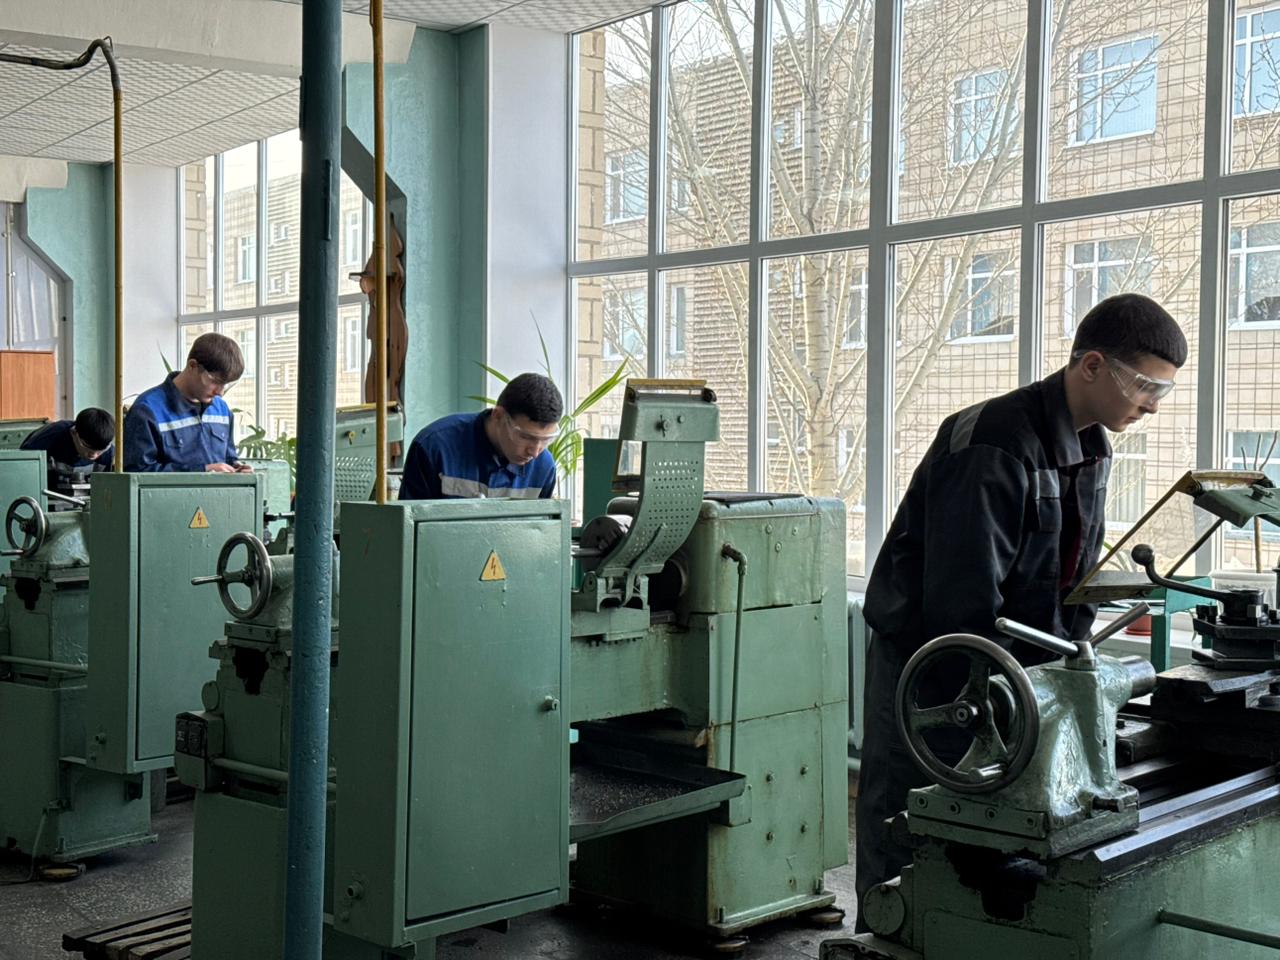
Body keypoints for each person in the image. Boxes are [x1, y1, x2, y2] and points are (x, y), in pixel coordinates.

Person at [853, 293, 1188, 927]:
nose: (1151, 405)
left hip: (1016, 668)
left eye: (1162, 392)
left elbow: (1073, 578)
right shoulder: (994, 443)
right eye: (1145, 387)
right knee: (910, 814)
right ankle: (883, 933)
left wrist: (1069, 673)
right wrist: (1007, 694)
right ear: (1092, 365)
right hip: (937, 667)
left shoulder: (1094, 447)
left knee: (986, 829)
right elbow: (961, 599)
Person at [399, 372, 561, 500]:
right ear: (498, 415)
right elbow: (407, 526)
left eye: (546, 440)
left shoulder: (543, 467)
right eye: (526, 437)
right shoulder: (433, 447)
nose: (535, 452)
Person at [124, 332, 253, 473]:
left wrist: (237, 468)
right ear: (192, 366)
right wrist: (201, 471)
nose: (220, 392)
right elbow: (136, 473)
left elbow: (228, 458)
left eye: (226, 384)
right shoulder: (147, 411)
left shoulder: (222, 410)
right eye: (215, 381)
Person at [20, 407, 115, 491]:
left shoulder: (109, 453)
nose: (94, 455)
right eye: (87, 446)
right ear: (74, 433)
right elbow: (23, 471)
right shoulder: (48, 439)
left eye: (100, 450)